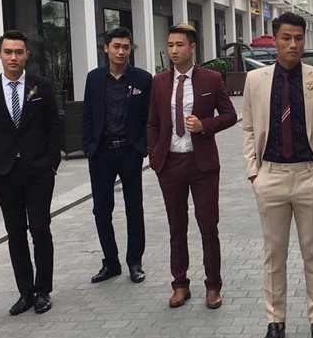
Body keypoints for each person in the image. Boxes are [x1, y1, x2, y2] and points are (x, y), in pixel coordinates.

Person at [242, 12, 313, 338]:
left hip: (310, 176)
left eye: (298, 38)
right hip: (270, 176)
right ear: (275, 40)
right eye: (286, 38)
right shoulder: (256, 80)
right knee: (274, 254)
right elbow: (248, 129)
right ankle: (275, 320)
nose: (293, 44)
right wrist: (254, 173)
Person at [147, 23, 236, 310]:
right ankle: (180, 284)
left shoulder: (211, 79)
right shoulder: (159, 81)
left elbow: (230, 115)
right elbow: (151, 122)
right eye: (170, 45)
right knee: (176, 226)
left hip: (202, 164)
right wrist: (154, 154)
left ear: (192, 47)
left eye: (180, 45)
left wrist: (203, 125)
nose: (174, 50)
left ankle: (213, 285)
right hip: (170, 163)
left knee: (208, 225)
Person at [0, 30, 60, 315]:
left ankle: (43, 290)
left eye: (19, 52)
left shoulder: (41, 86)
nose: (13, 57)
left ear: (27, 55)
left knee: (40, 229)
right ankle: (25, 291)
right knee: (15, 233)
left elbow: (53, 126)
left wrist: (52, 162)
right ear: (0, 55)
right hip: (5, 172)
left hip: (38, 171)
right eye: (8, 52)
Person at [82, 27, 152, 284]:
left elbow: (149, 116)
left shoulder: (143, 79)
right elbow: (88, 114)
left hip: (129, 151)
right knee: (101, 210)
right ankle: (110, 262)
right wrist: (88, 145)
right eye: (116, 47)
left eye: (125, 47)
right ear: (106, 48)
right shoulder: (94, 78)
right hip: (101, 153)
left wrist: (143, 146)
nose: (121, 52)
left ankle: (135, 262)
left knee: (134, 208)